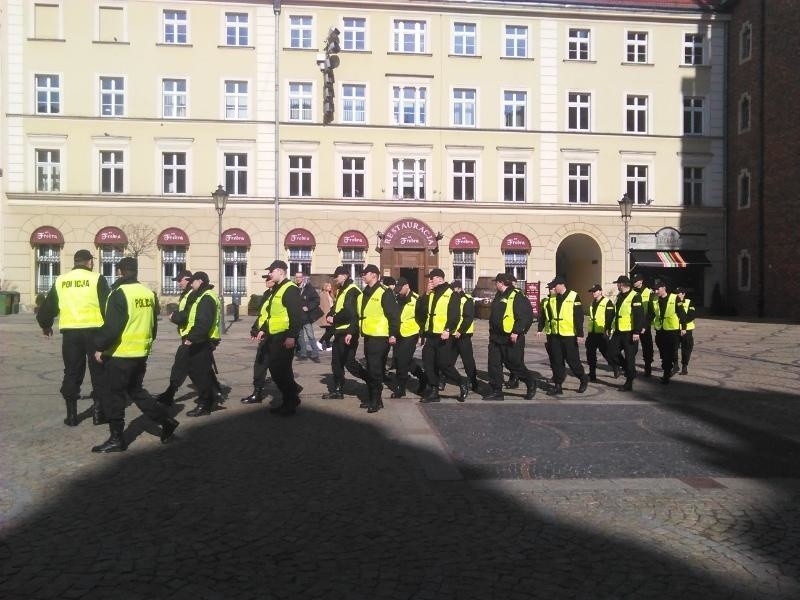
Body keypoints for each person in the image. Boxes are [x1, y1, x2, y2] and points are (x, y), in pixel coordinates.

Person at [91, 257, 178, 453]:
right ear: (136, 271)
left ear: (120, 272)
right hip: (140, 352)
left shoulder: (119, 293)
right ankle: (166, 420)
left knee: (115, 396)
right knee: (136, 391)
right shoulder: (148, 293)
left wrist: (100, 347)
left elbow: (113, 327)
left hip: (121, 353)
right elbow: (153, 325)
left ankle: (117, 439)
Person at [37, 249, 111, 427]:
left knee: (72, 371)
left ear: (75, 262)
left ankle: (71, 416)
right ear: (89, 262)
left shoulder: (61, 280)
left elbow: (50, 305)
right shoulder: (97, 279)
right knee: (98, 370)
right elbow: (107, 305)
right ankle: (98, 414)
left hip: (70, 333)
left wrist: (45, 324)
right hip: (94, 331)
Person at [256, 260, 304, 416]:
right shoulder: (278, 289)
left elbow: (296, 316)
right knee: (279, 371)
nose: (269, 274)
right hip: (274, 335)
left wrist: (292, 336)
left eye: (271, 271)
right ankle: (290, 399)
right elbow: (271, 313)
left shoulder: (290, 289)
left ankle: (290, 402)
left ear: (280, 271)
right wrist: (263, 329)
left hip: (284, 336)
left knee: (279, 371)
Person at [482, 273, 537, 401]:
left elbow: (525, 315)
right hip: (496, 336)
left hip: (511, 337)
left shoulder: (517, 295)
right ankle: (497, 391)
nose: (495, 284)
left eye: (497, 282)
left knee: (513, 364)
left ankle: (530, 382)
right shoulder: (499, 295)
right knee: (494, 364)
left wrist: (517, 332)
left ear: (501, 282)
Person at [418, 268, 469, 403]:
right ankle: (434, 391)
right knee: (428, 363)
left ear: (439, 278)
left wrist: (448, 329)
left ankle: (462, 382)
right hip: (431, 335)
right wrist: (426, 294)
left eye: (431, 278)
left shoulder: (451, 294)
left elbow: (455, 315)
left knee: (444, 364)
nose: (429, 281)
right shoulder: (431, 294)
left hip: (444, 335)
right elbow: (421, 312)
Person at [358, 264, 400, 413]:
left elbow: (393, 315)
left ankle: (375, 400)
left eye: (365, 273)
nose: (362, 275)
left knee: (375, 370)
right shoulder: (365, 292)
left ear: (374, 275)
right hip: (368, 335)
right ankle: (375, 399)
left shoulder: (384, 292)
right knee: (371, 369)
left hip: (380, 337)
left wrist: (393, 334)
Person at [321, 266, 366, 400]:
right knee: (336, 362)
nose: (335, 279)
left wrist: (334, 318)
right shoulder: (343, 290)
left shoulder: (352, 290)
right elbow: (337, 307)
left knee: (349, 363)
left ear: (345, 276)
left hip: (348, 332)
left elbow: (349, 312)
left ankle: (372, 382)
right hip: (340, 331)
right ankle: (338, 390)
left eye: (337, 276)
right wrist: (330, 313)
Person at [181, 272, 222, 417]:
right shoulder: (202, 295)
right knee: (197, 370)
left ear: (200, 281)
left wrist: (191, 338)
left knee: (200, 372)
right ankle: (211, 396)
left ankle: (206, 403)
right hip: (200, 339)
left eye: (193, 282)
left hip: (202, 340)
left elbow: (204, 322)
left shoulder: (206, 297)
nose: (191, 285)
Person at [543, 276, 588, 395]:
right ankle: (558, 386)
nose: (553, 288)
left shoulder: (574, 296)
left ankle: (583, 378)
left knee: (573, 361)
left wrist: (580, 334)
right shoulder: (552, 298)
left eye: (554, 286)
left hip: (569, 335)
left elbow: (579, 316)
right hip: (555, 335)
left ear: (561, 285)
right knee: (557, 361)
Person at [390, 276, 427, 398]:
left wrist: (422, 335)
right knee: (403, 360)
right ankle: (423, 377)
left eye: (400, 288)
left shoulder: (417, 299)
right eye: (397, 288)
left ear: (407, 286)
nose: (399, 290)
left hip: (411, 334)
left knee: (401, 360)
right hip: (398, 334)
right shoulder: (397, 299)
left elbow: (422, 318)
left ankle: (401, 388)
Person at [241, 275, 276, 404]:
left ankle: (292, 389)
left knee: (278, 368)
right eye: (266, 279)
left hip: (275, 335)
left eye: (269, 279)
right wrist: (255, 329)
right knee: (260, 365)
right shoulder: (267, 294)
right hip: (265, 335)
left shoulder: (280, 294)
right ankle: (257, 393)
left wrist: (264, 329)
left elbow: (275, 315)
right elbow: (263, 315)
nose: (266, 281)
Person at [607, 275, 645, 391]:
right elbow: (614, 313)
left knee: (630, 358)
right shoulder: (619, 296)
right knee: (611, 352)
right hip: (619, 331)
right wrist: (608, 327)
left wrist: (636, 332)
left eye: (617, 284)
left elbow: (639, 315)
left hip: (630, 332)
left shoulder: (635, 296)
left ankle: (629, 382)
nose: (617, 286)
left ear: (622, 284)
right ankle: (626, 368)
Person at [651, 280, 684, 385]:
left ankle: (666, 374)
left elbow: (681, 313)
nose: (656, 291)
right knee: (663, 352)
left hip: (672, 330)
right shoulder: (655, 299)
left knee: (668, 353)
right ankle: (669, 367)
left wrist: (683, 327)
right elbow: (651, 314)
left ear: (664, 288)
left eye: (658, 289)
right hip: (660, 330)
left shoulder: (674, 298)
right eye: (655, 289)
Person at [451, 280, 479, 391]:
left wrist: (460, 331)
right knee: (448, 360)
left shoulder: (467, 300)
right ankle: (442, 380)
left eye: (453, 289)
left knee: (468, 361)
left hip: (463, 335)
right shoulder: (453, 299)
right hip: (453, 335)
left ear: (459, 288)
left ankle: (474, 381)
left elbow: (468, 318)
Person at [585, 283, 615, 382]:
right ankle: (592, 374)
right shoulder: (593, 302)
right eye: (592, 292)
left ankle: (615, 367)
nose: (593, 293)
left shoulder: (607, 302)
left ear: (600, 291)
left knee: (606, 352)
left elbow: (610, 317)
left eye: (595, 291)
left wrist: (608, 330)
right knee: (590, 353)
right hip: (592, 332)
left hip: (602, 332)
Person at [294, 271, 322, 363]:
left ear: (303, 278)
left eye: (299, 277)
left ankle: (315, 354)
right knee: (300, 336)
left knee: (310, 336)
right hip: (297, 317)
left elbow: (317, 300)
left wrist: (309, 307)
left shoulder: (309, 288)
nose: (298, 279)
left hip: (306, 317)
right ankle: (303, 354)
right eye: (296, 277)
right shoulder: (294, 288)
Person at [632, 273, 654, 377]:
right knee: (632, 347)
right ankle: (630, 367)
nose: (634, 282)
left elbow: (651, 312)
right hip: (633, 324)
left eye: (636, 281)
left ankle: (648, 367)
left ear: (641, 281)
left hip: (644, 324)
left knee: (647, 347)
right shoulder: (631, 292)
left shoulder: (649, 292)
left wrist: (645, 325)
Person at [675, 287, 696, 375]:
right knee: (673, 348)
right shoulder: (673, 302)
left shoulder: (689, 302)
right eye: (676, 293)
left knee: (686, 348)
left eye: (678, 293)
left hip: (687, 329)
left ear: (683, 294)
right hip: (675, 328)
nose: (676, 295)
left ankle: (684, 366)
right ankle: (675, 365)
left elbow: (691, 315)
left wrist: (682, 322)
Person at [316, 281, 335, 351]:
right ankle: (320, 342)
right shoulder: (322, 294)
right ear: (325, 287)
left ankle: (328, 346)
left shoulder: (329, 294)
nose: (330, 287)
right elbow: (321, 306)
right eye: (329, 286)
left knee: (328, 330)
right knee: (332, 330)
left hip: (330, 314)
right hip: (326, 315)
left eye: (330, 286)